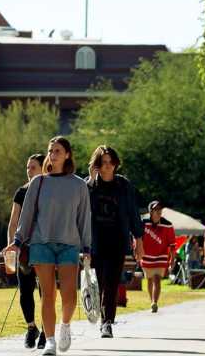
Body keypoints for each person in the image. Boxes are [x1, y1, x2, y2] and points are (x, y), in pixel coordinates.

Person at [4, 136, 91, 356]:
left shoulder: (79, 185)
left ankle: (65, 326)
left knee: (69, 296)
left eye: (58, 151)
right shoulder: (38, 183)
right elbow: (26, 216)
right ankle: (50, 341)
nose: (52, 154)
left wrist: (88, 248)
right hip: (41, 244)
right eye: (51, 150)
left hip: (69, 245)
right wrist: (16, 241)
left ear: (67, 154)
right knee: (48, 295)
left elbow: (84, 219)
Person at [86, 145, 144, 338]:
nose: (108, 166)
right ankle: (99, 312)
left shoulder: (123, 185)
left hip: (117, 241)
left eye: (111, 162)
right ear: (97, 165)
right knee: (99, 283)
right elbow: (82, 211)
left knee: (111, 284)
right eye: (103, 163)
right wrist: (91, 181)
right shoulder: (90, 186)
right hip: (95, 242)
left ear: (116, 163)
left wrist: (139, 239)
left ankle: (107, 323)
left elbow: (133, 213)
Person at [5, 153, 46, 349]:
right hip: (25, 248)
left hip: (46, 247)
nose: (29, 172)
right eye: (28, 168)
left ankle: (47, 330)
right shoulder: (21, 192)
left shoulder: (49, 191)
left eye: (33, 168)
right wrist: (12, 249)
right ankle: (31, 328)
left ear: (43, 168)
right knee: (25, 290)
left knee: (46, 291)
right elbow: (13, 223)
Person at [140, 200, 176, 313]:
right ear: (151, 211)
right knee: (149, 279)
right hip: (146, 257)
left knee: (157, 279)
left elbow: (172, 244)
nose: (158, 211)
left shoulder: (168, 225)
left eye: (160, 209)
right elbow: (137, 239)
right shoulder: (143, 223)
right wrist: (137, 252)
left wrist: (172, 259)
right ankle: (152, 301)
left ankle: (155, 302)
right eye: (156, 209)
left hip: (161, 256)